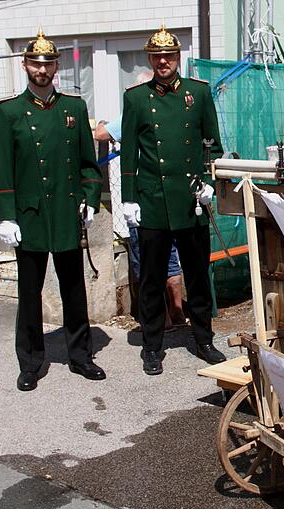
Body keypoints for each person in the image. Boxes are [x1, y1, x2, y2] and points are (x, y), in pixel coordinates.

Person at [0, 29, 106, 391]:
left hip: (65, 212)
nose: (41, 69)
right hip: (30, 215)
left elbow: (90, 164)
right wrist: (5, 214)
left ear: (57, 67)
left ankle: (81, 355)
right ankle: (30, 362)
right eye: (35, 63)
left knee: (74, 289)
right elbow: (2, 167)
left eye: (48, 63)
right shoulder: (8, 110)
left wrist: (90, 199)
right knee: (29, 292)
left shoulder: (74, 108)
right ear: (25, 65)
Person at [121, 25, 225, 375]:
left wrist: (210, 182)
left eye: (169, 55)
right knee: (151, 278)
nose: (163, 61)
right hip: (153, 201)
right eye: (157, 56)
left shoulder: (199, 93)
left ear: (178, 58)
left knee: (197, 274)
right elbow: (130, 154)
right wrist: (129, 198)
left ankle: (203, 338)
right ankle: (152, 346)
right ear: (150, 59)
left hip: (191, 198)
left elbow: (214, 145)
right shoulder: (136, 98)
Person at [93, 114, 187, 331]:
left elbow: (101, 135)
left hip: (141, 198)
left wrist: (101, 124)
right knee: (170, 255)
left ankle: (160, 318)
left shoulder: (132, 117)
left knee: (146, 260)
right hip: (167, 196)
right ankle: (177, 310)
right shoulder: (168, 116)